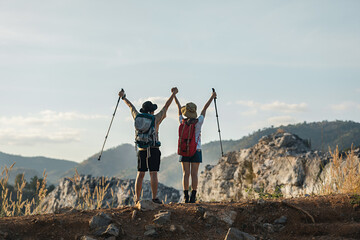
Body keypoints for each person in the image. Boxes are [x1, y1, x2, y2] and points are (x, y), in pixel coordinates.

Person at [118, 87, 178, 204]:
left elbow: (131, 106)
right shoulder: (156, 118)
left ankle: (137, 198)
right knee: (153, 173)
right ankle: (154, 198)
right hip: (154, 148)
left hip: (141, 149)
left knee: (140, 174)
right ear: (151, 111)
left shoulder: (137, 116)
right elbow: (166, 106)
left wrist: (123, 97)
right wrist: (173, 94)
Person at [174, 91, 217, 203]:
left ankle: (185, 196)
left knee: (185, 174)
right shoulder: (199, 122)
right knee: (194, 174)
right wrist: (212, 97)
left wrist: (174, 96)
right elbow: (204, 109)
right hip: (196, 150)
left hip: (184, 150)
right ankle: (193, 196)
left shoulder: (182, 122)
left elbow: (179, 109)